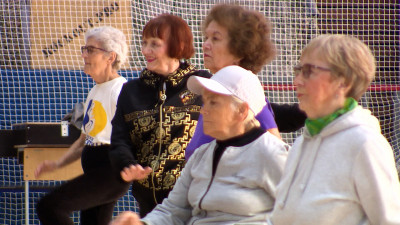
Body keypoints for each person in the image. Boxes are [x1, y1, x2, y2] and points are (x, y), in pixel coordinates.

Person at [110, 65, 289, 225]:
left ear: (242, 110)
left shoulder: (272, 154)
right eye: (204, 101)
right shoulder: (201, 155)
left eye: (213, 102)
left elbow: (302, 213)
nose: (203, 109)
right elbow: (173, 211)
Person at [268, 34, 400, 225]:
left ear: (343, 82)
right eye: (298, 70)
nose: (297, 81)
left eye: (308, 71)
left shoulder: (365, 144)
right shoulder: (302, 142)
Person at [108, 14, 212, 217]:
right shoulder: (131, 90)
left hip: (193, 202)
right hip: (149, 204)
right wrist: (127, 164)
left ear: (177, 45)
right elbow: (119, 140)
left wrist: (294, 114)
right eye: (144, 43)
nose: (146, 50)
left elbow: (245, 110)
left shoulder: (202, 83)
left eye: (154, 44)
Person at [35, 26, 131, 225]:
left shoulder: (121, 90)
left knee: (49, 206)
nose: (84, 55)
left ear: (110, 57)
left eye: (91, 50)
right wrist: (57, 164)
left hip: (110, 172)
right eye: (84, 49)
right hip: (96, 170)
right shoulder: (95, 91)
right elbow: (84, 139)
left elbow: (135, 134)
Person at [185, 4, 306, 159]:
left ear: (240, 49)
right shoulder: (219, 86)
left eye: (215, 38)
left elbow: (277, 153)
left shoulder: (246, 87)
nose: (205, 44)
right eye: (206, 37)